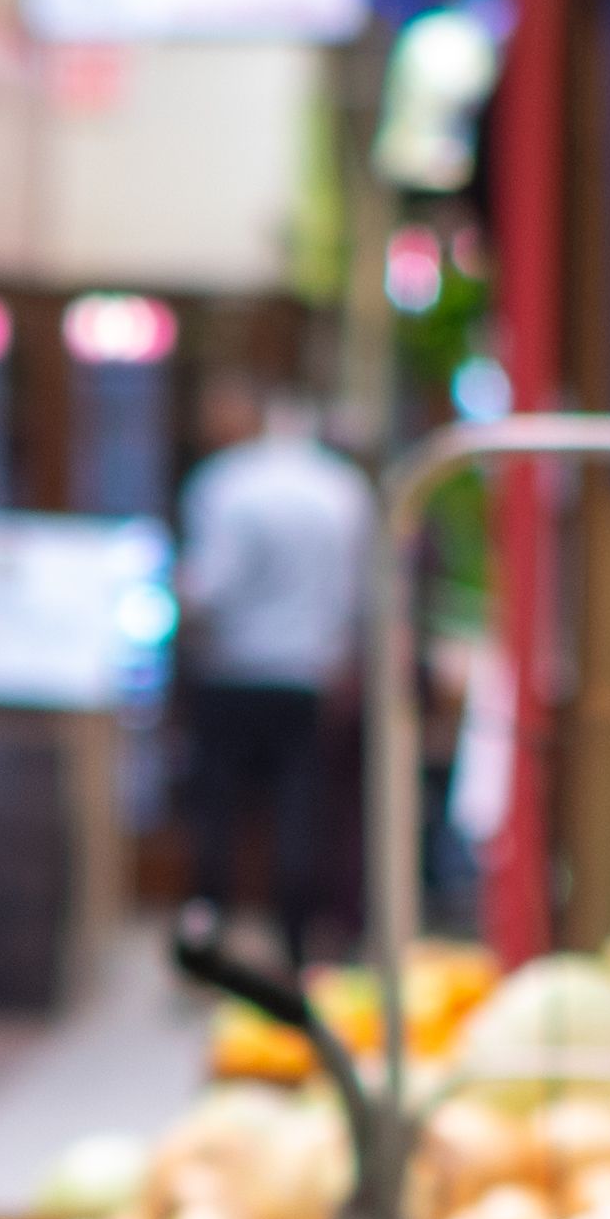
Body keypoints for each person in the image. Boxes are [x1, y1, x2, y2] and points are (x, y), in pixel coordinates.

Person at [169, 373, 380, 969]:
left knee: (216, 815)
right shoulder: (342, 489)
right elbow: (358, 594)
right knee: (300, 811)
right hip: (307, 675)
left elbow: (211, 586)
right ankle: (297, 947)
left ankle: (207, 942)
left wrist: (178, 601)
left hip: (233, 671)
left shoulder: (225, 485)